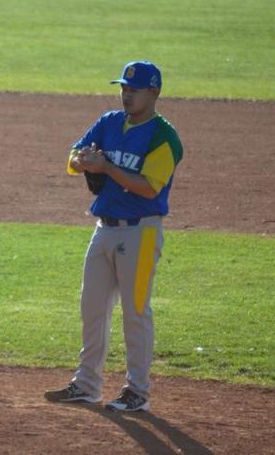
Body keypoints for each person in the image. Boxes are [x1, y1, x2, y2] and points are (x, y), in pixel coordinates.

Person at [44, 61, 183, 412]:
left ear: (154, 93)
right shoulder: (108, 122)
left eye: (133, 90)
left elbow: (149, 188)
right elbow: (74, 155)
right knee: (92, 308)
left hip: (142, 232)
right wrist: (83, 160)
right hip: (104, 229)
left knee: (135, 313)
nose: (126, 94)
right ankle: (87, 385)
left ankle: (137, 391)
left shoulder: (163, 137)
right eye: (123, 88)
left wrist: (106, 167)